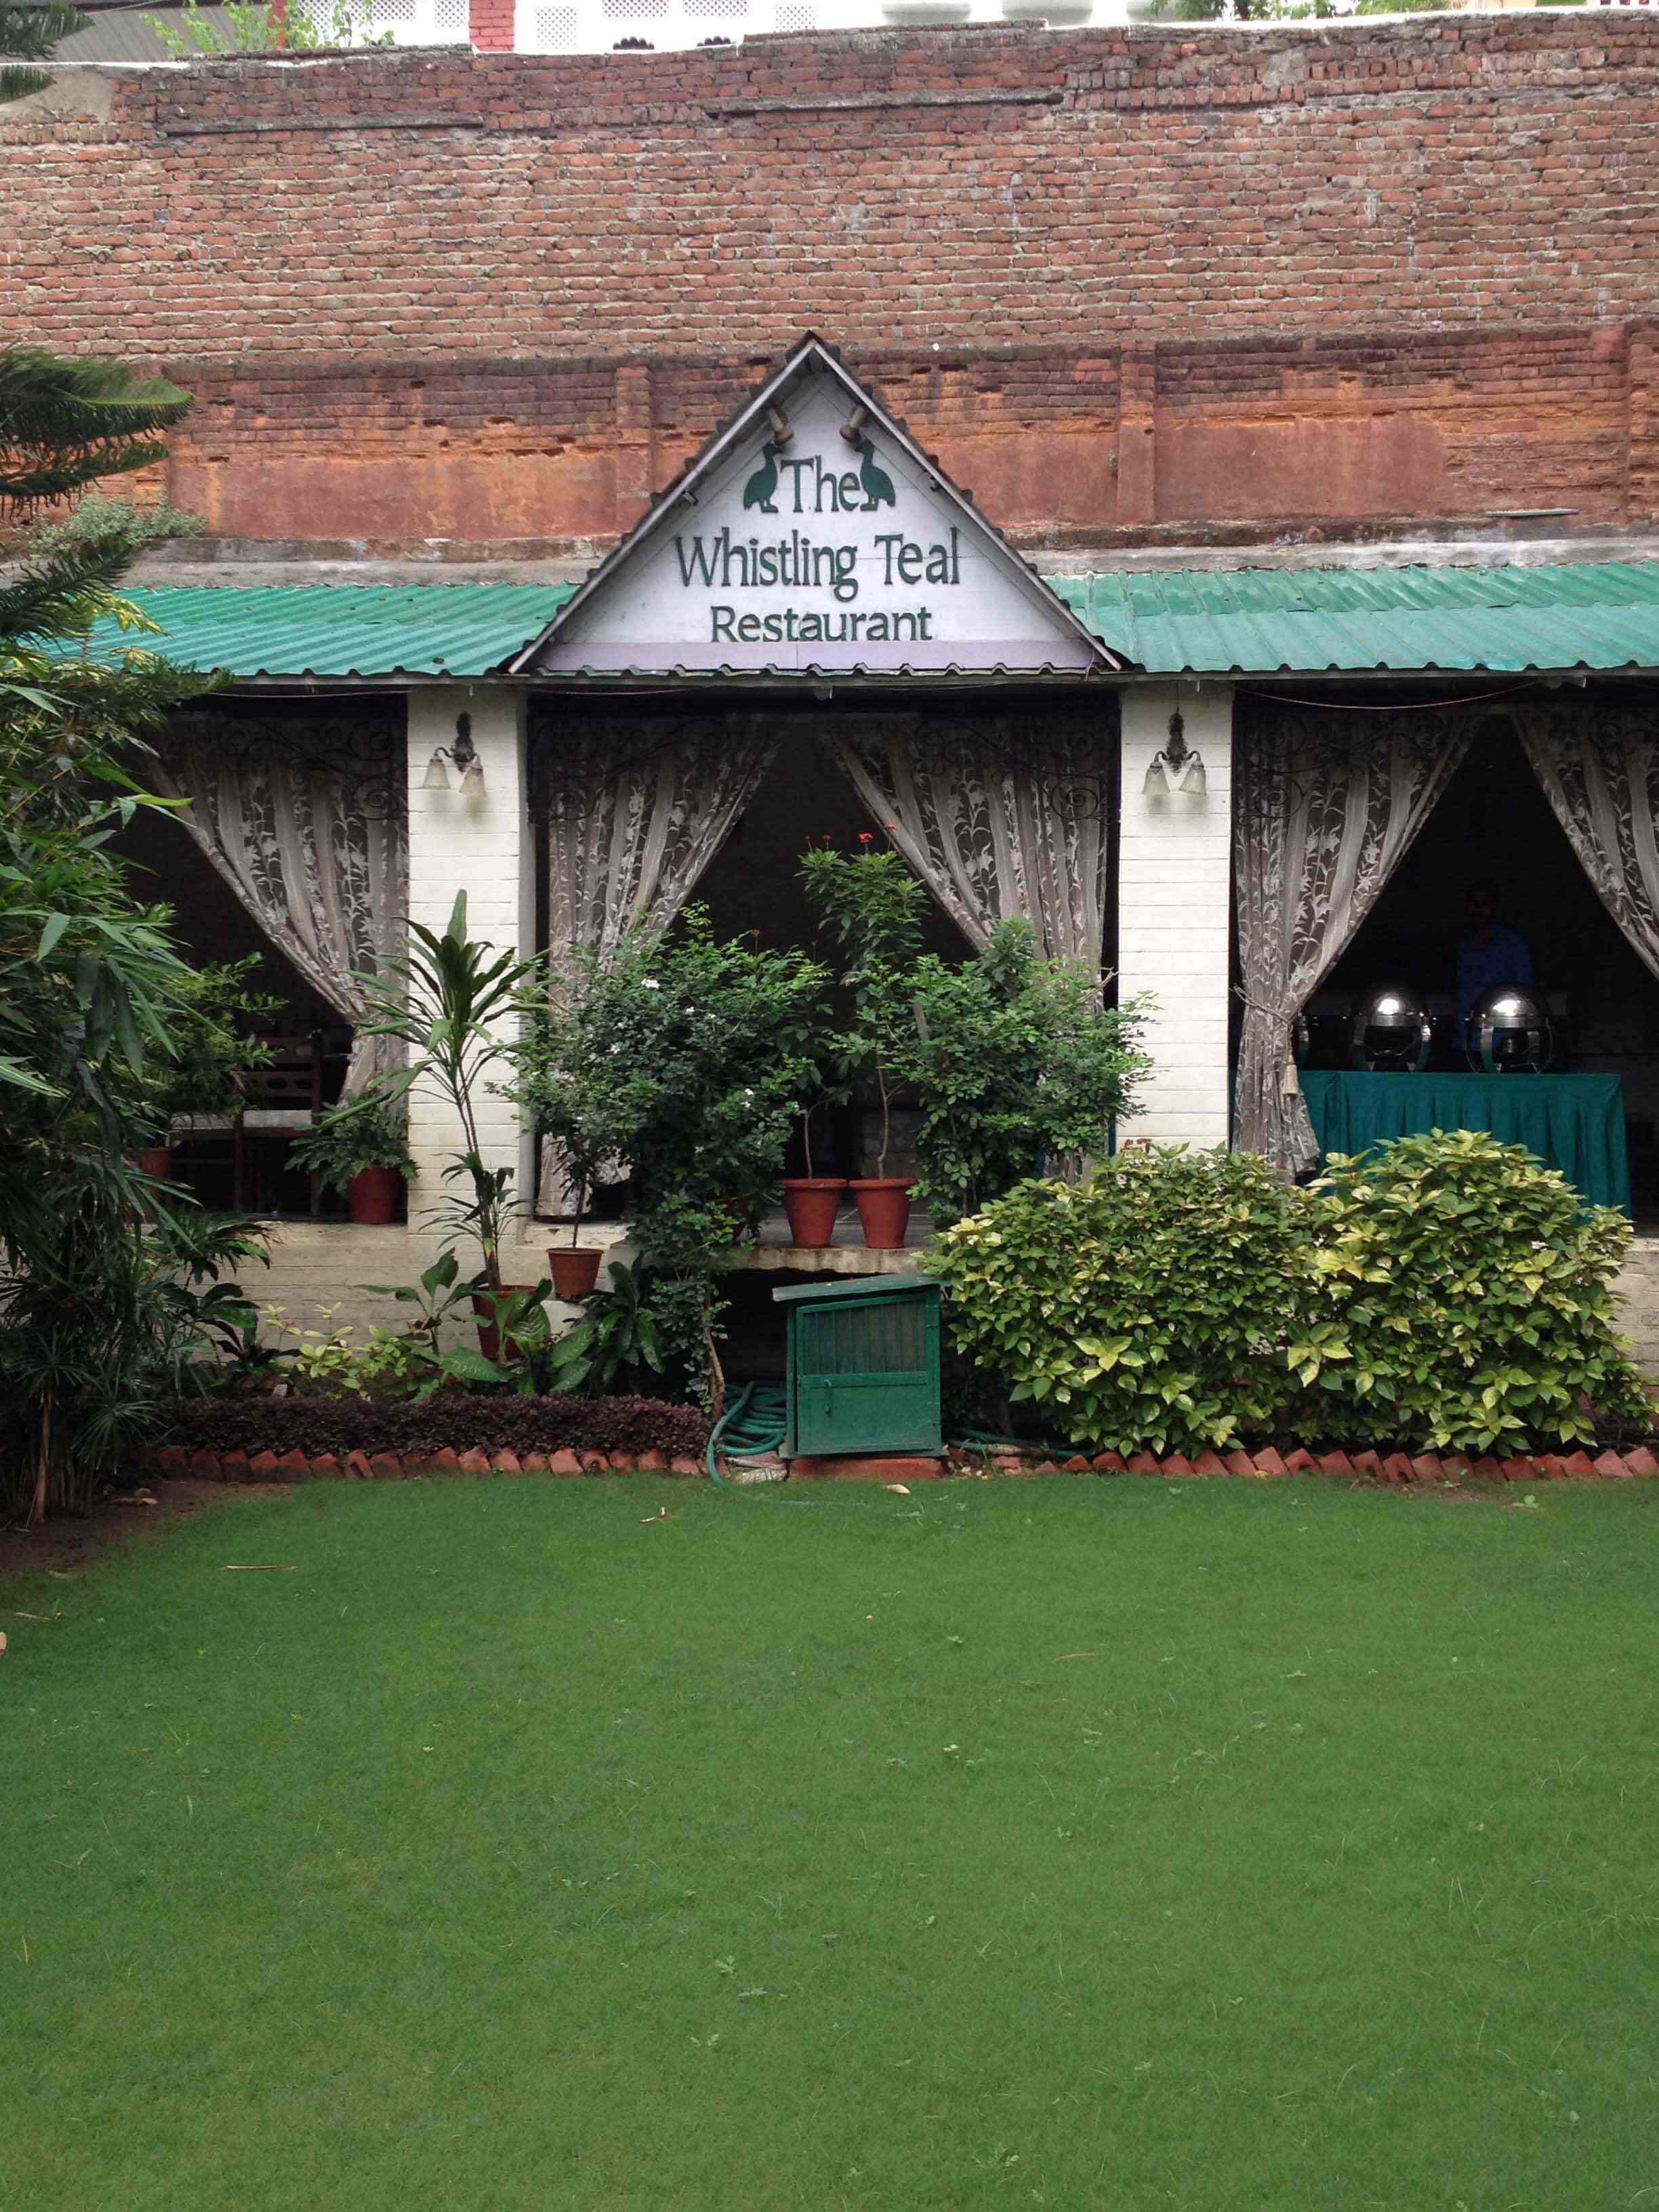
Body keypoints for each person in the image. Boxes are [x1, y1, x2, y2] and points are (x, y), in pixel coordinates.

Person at [1456, 878, 1534, 1046]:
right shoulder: (1463, 945)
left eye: (1484, 903)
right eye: (1473, 903)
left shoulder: (1512, 944)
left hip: (1503, 1038)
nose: (1478, 909)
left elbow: (1525, 992)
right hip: (1466, 1037)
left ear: (1494, 907)